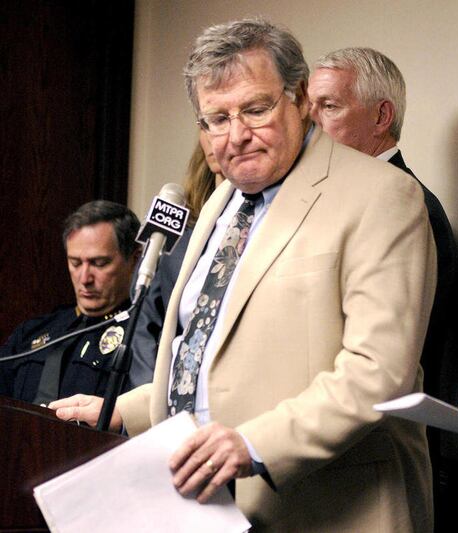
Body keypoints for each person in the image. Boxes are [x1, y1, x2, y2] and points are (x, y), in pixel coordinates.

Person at [51, 18, 436, 532]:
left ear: (299, 98)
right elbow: (209, 352)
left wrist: (252, 444)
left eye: (256, 109)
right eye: (216, 118)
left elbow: (376, 373)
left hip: (329, 508)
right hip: (210, 505)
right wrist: (126, 410)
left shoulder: (383, 196)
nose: (237, 136)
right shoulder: (223, 199)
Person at [309, 46, 456, 399]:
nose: (309, 122)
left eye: (328, 107)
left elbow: (388, 362)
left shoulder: (410, 207)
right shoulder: (334, 197)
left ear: (381, 117)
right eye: (308, 107)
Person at [0, 201, 140, 404]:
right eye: (75, 263)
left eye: (99, 263)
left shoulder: (142, 338)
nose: (84, 278)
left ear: (135, 259)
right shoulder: (32, 333)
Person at [128, 131, 224, 387]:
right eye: (209, 125)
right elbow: (143, 322)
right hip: (166, 395)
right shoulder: (179, 220)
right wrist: (149, 402)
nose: (218, 138)